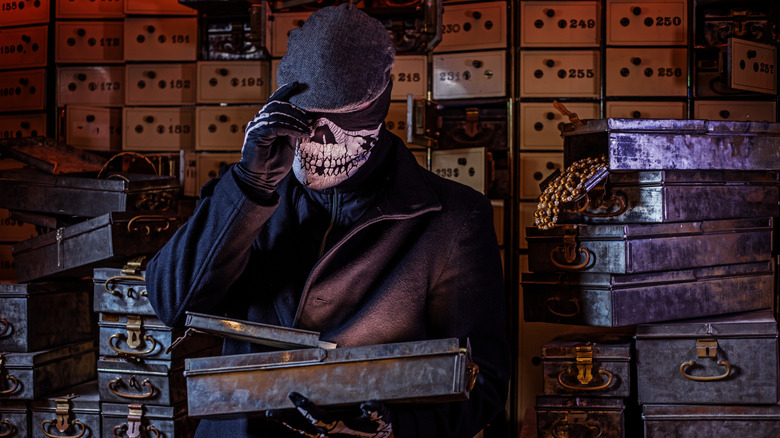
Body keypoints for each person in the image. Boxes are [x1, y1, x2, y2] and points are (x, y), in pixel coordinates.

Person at [146, 3, 509, 437]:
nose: (316, 138)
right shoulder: (246, 192)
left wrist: (389, 429)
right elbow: (172, 303)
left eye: (337, 119)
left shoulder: (451, 218)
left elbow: (480, 383)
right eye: (304, 119)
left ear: (375, 109)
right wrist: (248, 187)